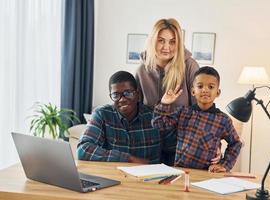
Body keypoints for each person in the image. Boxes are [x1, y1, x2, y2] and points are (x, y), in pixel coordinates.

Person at [152, 66, 242, 172]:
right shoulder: (183, 112)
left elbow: (236, 143)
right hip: (181, 171)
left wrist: (224, 165)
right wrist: (164, 103)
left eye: (211, 87)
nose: (205, 90)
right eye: (200, 86)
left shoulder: (223, 120)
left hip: (208, 174)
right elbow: (158, 124)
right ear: (193, 91)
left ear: (218, 92)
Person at [135, 18, 200, 165]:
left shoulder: (190, 66)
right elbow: (137, 111)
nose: (166, 47)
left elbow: (202, 109)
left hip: (184, 147)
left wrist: (213, 144)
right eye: (161, 40)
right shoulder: (141, 71)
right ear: (152, 41)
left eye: (172, 42)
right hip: (150, 146)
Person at [77, 71, 161, 164]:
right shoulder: (102, 114)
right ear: (111, 96)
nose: (122, 99)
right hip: (114, 176)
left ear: (137, 94)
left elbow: (171, 150)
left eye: (128, 93)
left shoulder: (154, 117)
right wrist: (128, 159)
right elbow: (83, 150)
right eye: (116, 95)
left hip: (150, 176)